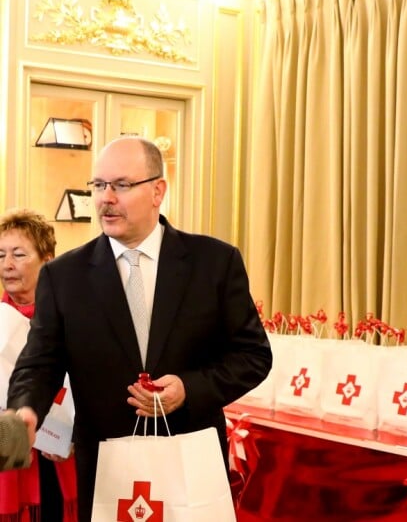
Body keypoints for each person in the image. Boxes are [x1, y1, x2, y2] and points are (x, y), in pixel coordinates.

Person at [6, 136, 272, 522]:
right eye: (98, 186)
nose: (105, 198)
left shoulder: (214, 263)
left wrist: (189, 388)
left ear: (157, 191)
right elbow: (39, 363)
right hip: (105, 469)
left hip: (191, 462)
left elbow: (253, 356)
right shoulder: (63, 277)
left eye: (121, 185)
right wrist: (26, 410)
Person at [0, 209, 77, 521]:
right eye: (1, 254)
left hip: (58, 457)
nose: (7, 265)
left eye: (19, 254)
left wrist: (72, 437)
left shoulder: (73, 318)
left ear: (47, 259)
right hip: (7, 457)